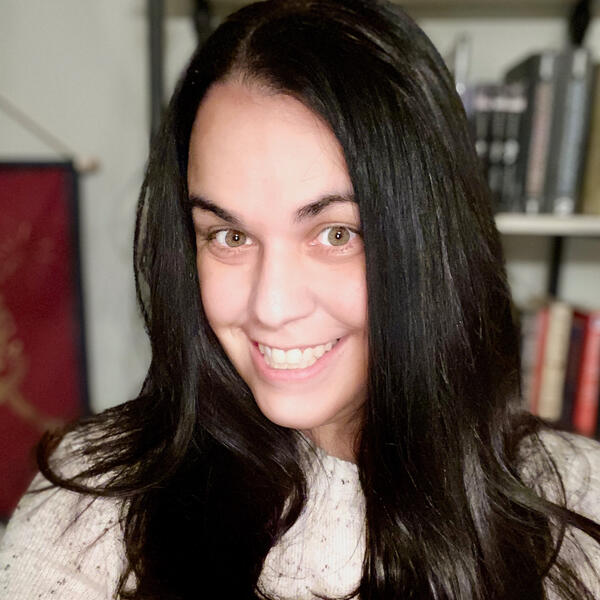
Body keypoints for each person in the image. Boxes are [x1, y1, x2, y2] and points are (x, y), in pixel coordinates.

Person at [1, 0, 600, 598]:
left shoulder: (579, 507)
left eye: (336, 234)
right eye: (229, 236)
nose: (271, 306)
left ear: (432, 239)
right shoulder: (93, 503)